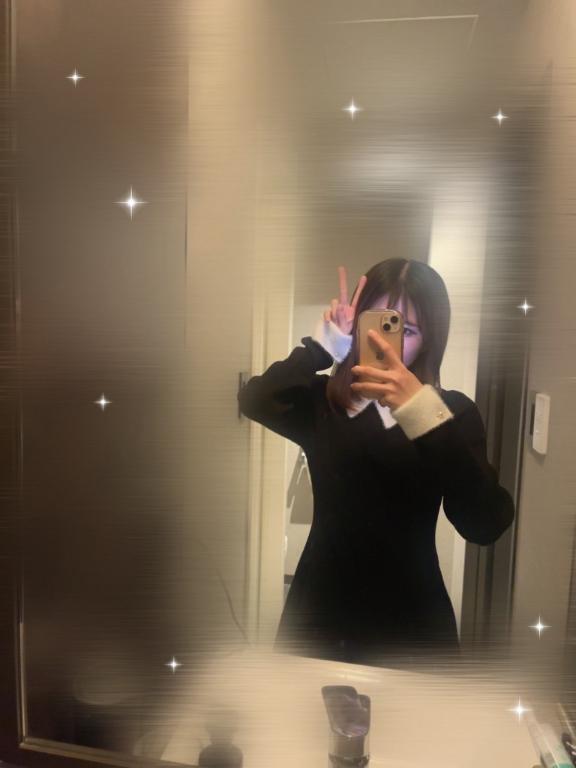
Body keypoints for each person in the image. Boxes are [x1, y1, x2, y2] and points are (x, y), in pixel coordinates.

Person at [237, 258, 515, 666]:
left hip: (412, 618)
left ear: (430, 339)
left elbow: (484, 523)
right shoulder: (325, 402)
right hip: (321, 608)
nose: (384, 341)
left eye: (407, 329)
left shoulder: (451, 413)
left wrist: (422, 413)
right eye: (374, 322)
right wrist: (323, 347)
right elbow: (255, 399)